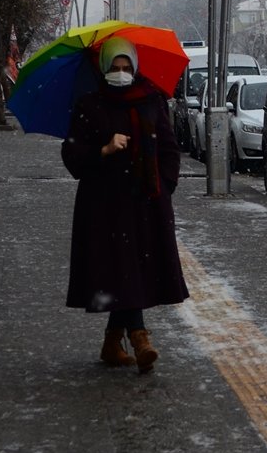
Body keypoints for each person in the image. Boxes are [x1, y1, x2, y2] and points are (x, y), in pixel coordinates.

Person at [61, 37, 188, 374]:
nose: (120, 73)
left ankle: (113, 340)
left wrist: (165, 185)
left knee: (130, 271)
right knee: (125, 270)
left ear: (135, 67)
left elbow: (170, 150)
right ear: (104, 69)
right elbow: (71, 155)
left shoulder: (151, 100)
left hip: (145, 204)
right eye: (114, 68)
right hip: (103, 208)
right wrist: (103, 150)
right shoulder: (89, 105)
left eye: (126, 67)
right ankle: (140, 337)